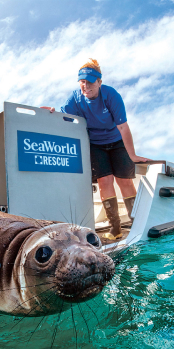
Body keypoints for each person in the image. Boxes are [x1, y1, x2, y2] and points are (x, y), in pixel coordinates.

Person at [41, 59, 148, 240]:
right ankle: (115, 228)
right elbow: (64, 116)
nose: (86, 86)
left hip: (117, 141)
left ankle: (136, 222)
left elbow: (123, 127)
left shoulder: (111, 95)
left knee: (124, 182)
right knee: (105, 181)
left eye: (90, 82)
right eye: (82, 82)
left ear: (99, 82)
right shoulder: (75, 98)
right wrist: (52, 112)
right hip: (96, 144)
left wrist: (132, 155)